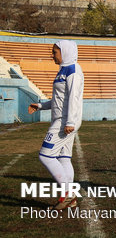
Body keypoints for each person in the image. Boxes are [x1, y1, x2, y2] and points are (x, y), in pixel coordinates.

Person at [29, 40, 84, 210]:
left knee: (45, 155)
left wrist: (69, 122)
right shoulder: (63, 70)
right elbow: (59, 99)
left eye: (54, 52)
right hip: (63, 119)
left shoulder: (73, 70)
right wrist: (40, 106)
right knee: (64, 158)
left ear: (65, 52)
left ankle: (68, 193)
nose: (52, 55)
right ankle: (71, 199)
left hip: (64, 121)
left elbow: (74, 98)